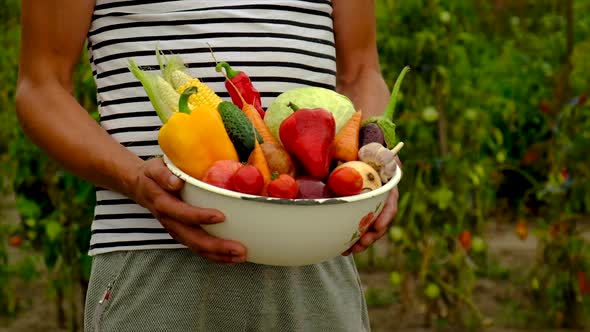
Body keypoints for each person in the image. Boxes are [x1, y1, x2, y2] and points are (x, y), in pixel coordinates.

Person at [16, 0, 401, 331]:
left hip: (317, 255)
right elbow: (41, 87)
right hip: (155, 257)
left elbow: (362, 72)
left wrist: (375, 165)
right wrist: (135, 178)